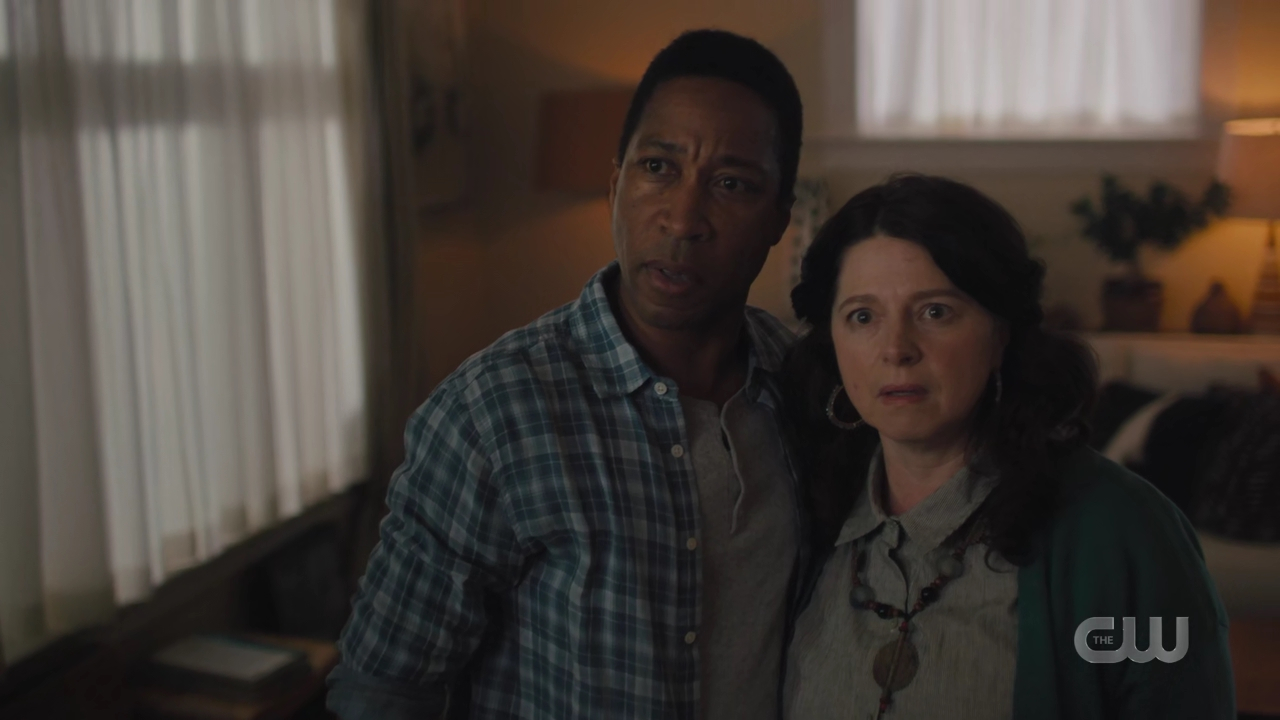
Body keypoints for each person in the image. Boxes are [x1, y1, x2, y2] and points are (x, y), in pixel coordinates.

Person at [327, 29, 806, 720]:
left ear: (778, 219)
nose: (682, 219)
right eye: (658, 167)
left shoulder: (804, 385)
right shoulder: (493, 414)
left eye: (731, 184)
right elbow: (383, 690)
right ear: (615, 185)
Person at [779, 174, 1234, 720]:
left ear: (1002, 334)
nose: (896, 349)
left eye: (935, 311)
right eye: (862, 316)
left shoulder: (1123, 531)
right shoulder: (803, 513)